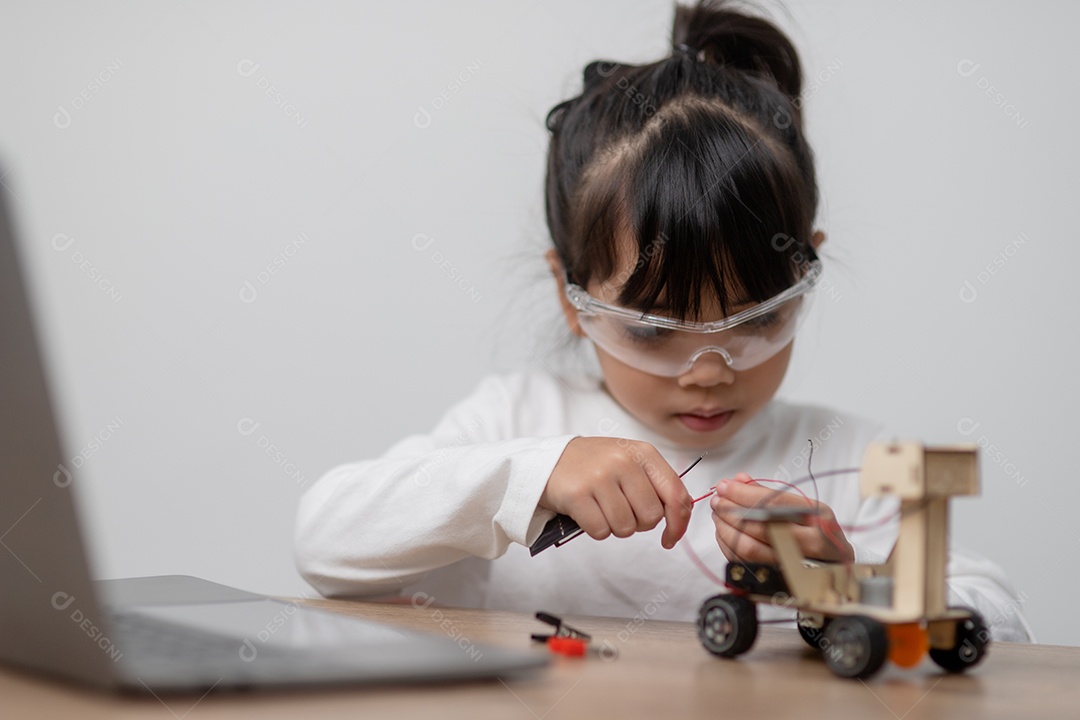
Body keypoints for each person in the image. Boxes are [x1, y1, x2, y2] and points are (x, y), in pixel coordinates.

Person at [294, 0, 1033, 642]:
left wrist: (849, 588)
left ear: (805, 276)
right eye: (653, 331)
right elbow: (325, 541)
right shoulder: (517, 420)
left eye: (753, 321)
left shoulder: (851, 458)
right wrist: (529, 477)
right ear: (570, 295)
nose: (709, 371)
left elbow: (998, 620)